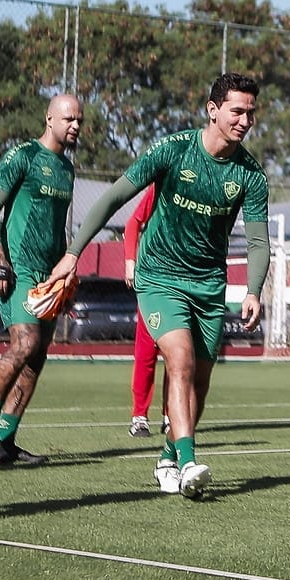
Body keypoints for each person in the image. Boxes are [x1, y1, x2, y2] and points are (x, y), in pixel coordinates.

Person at [48, 75, 272, 499]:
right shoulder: (173, 150)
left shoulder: (251, 176)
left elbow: (259, 242)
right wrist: (74, 252)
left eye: (250, 112)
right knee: (181, 361)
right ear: (213, 110)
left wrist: (254, 290)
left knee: (199, 384)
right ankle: (189, 462)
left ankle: (169, 457)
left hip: (209, 286)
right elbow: (114, 198)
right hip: (160, 278)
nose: (245, 120)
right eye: (237, 111)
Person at [0, 94, 82, 468]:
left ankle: (6, 439)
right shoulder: (23, 156)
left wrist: (64, 275)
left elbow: (58, 228)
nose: (76, 126)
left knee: (36, 358)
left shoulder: (67, 170)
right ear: (49, 119)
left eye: (79, 120)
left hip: (48, 276)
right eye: (69, 119)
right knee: (24, 343)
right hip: (17, 269)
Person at [125, 183, 161, 437]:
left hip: (186, 282)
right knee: (147, 352)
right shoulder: (160, 187)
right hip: (154, 280)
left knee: (179, 356)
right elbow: (132, 223)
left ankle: (172, 415)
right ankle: (139, 416)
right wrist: (130, 262)